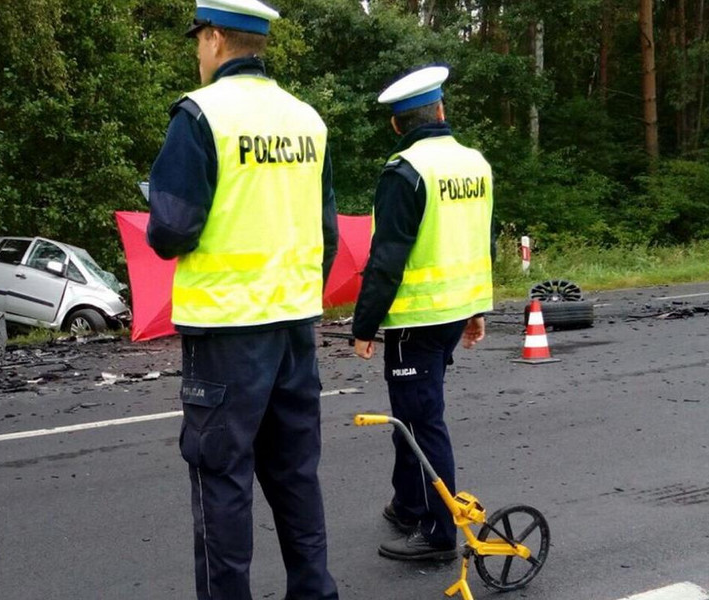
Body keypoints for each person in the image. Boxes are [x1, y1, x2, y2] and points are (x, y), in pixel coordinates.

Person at [147, 1, 340, 598]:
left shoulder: (200, 115)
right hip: (293, 327)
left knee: (221, 478)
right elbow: (327, 233)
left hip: (227, 330)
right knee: (295, 474)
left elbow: (171, 230)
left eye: (197, 42)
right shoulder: (307, 119)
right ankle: (314, 591)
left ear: (212, 39)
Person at [351, 64, 494, 561]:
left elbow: (387, 256)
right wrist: (476, 309)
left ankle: (438, 532)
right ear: (441, 110)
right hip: (455, 311)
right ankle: (408, 503)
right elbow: (479, 241)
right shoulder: (475, 163)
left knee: (422, 420)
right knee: (410, 415)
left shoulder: (405, 171)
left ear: (397, 124)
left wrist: (364, 325)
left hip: (416, 320)